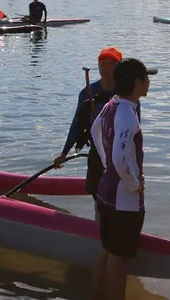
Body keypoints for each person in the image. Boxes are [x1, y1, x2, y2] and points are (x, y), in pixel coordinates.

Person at [53, 46, 142, 221]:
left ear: (119, 68)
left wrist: (136, 167)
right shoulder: (87, 93)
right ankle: (99, 230)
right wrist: (64, 153)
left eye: (112, 63)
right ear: (98, 66)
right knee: (97, 196)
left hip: (121, 154)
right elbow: (76, 124)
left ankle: (118, 235)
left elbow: (136, 133)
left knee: (119, 198)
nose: (107, 67)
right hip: (97, 152)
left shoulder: (129, 95)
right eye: (103, 63)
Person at [90, 57, 153, 300]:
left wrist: (108, 167)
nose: (149, 83)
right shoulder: (127, 114)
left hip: (106, 192)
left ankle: (94, 293)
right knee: (118, 259)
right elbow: (119, 157)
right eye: (146, 79)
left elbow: (96, 132)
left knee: (107, 250)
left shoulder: (111, 105)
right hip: (123, 201)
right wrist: (134, 184)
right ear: (137, 83)